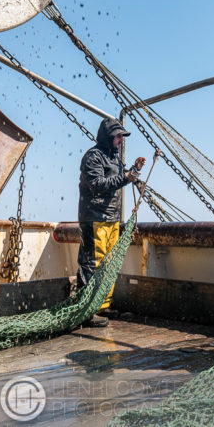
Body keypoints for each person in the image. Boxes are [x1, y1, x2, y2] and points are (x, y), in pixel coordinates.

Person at [78, 117, 140, 327]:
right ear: (109, 136)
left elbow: (119, 177)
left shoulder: (115, 158)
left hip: (112, 218)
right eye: (118, 136)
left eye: (122, 136)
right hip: (94, 218)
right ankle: (86, 310)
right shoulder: (93, 157)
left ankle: (102, 306)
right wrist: (126, 178)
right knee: (92, 264)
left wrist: (133, 172)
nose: (121, 140)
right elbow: (97, 184)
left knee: (109, 263)